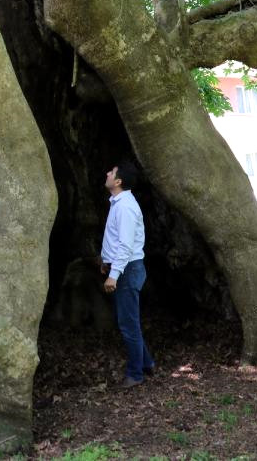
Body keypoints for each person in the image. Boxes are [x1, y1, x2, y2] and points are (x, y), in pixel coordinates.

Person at [101, 161, 154, 388]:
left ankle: (135, 374)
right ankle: (147, 363)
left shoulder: (125, 207)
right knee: (129, 322)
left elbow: (125, 245)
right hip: (124, 267)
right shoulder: (119, 203)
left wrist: (113, 274)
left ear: (119, 181)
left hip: (127, 270)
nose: (107, 173)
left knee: (128, 325)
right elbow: (116, 241)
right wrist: (106, 261)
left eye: (111, 172)